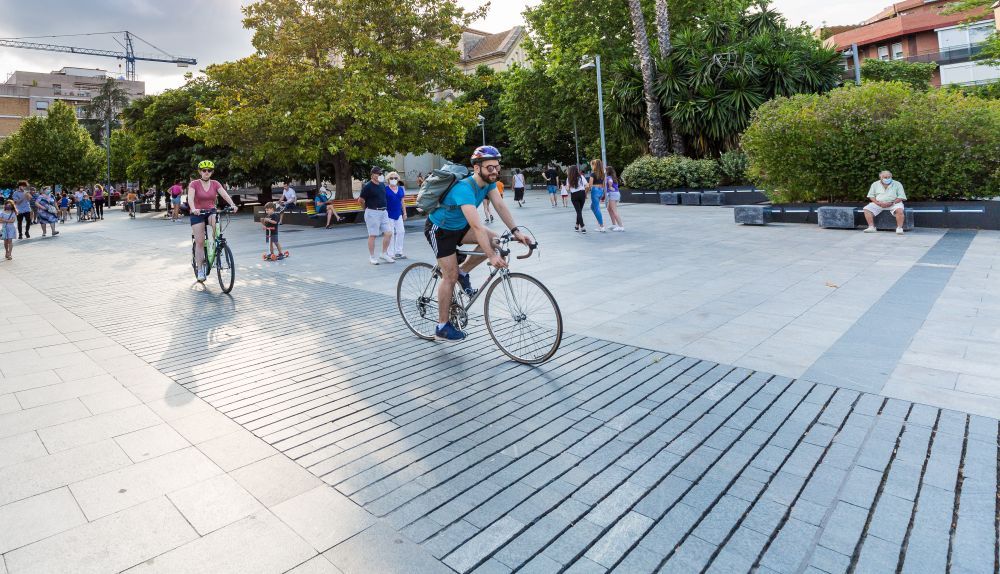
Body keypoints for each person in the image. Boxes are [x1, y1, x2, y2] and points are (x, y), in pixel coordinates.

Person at [424, 145, 531, 341]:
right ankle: (442, 326)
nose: (495, 171)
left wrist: (516, 231)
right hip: (440, 229)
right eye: (490, 167)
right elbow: (478, 226)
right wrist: (491, 256)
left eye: (497, 167)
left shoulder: (489, 184)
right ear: (477, 168)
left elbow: (499, 205)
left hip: (460, 227)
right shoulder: (464, 188)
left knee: (495, 240)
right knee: (449, 276)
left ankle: (463, 273)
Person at [189, 160, 239, 282]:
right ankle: (200, 270)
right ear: (200, 171)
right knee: (200, 242)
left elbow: (225, 195)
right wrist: (193, 208)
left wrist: (232, 204)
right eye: (204, 170)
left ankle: (216, 246)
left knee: (216, 227)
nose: (206, 172)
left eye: (209, 170)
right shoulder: (194, 184)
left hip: (210, 211)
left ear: (212, 172)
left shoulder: (215, 183)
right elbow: (190, 198)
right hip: (198, 213)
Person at [360, 166, 394, 265]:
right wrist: (366, 209)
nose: (380, 175)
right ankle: (372, 257)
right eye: (378, 174)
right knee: (373, 235)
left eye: (381, 174)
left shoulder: (382, 185)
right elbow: (360, 200)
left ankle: (383, 254)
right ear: (373, 175)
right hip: (372, 212)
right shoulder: (368, 186)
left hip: (384, 212)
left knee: (388, 233)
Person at [863, 170, 907, 235]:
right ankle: (871, 227)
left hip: (894, 203)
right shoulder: (875, 184)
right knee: (866, 209)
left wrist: (892, 203)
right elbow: (871, 196)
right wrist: (878, 203)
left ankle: (899, 228)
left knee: (900, 211)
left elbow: (901, 196)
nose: (887, 179)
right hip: (879, 203)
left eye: (889, 177)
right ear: (881, 177)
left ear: (891, 176)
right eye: (885, 177)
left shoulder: (897, 184)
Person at [385, 171, 407, 259]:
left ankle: (399, 251)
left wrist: (404, 212)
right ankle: (390, 253)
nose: (393, 180)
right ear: (388, 180)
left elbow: (402, 201)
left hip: (398, 214)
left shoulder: (401, 189)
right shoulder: (385, 189)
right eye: (391, 178)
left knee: (401, 231)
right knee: (391, 233)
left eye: (395, 178)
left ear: (398, 179)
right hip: (388, 214)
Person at [564, 165, 589, 233]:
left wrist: (565, 187)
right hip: (582, 194)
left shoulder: (569, 178)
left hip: (574, 195)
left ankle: (583, 227)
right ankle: (577, 226)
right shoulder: (581, 176)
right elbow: (587, 185)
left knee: (578, 211)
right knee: (579, 211)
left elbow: (568, 189)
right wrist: (585, 193)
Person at [587, 159, 607, 232]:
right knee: (592, 207)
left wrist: (586, 191)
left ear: (594, 165)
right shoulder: (603, 174)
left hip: (595, 190)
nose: (591, 166)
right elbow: (604, 184)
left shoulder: (593, 174)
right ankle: (600, 224)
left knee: (596, 208)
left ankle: (602, 226)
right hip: (601, 190)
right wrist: (604, 193)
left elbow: (590, 185)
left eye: (592, 165)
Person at [605, 165, 624, 231]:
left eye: (605, 170)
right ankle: (614, 225)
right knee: (609, 209)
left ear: (607, 171)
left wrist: (610, 187)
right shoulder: (613, 177)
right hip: (616, 194)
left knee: (614, 211)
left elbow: (610, 181)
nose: (604, 171)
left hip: (612, 194)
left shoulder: (609, 177)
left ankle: (621, 226)